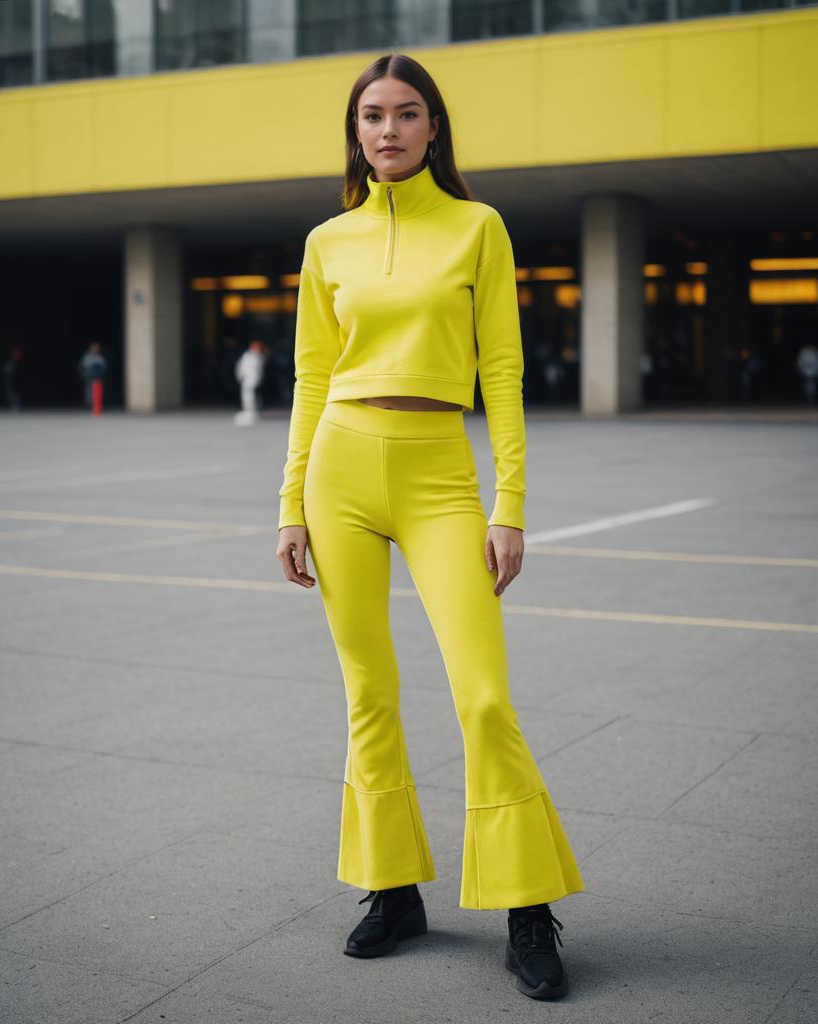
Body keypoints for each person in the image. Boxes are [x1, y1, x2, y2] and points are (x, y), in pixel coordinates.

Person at [274, 55, 584, 1001]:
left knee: (483, 695)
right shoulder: (328, 240)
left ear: (434, 128)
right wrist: (290, 505)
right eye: (373, 115)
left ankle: (529, 908)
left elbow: (504, 373)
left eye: (408, 114)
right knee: (369, 692)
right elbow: (311, 379)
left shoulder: (479, 229)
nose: (389, 129)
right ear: (355, 131)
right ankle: (393, 889)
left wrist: (511, 507)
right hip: (340, 469)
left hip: (442, 473)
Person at [233, 339, 267, 425]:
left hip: (254, 379)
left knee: (252, 396)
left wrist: (258, 379)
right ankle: (248, 411)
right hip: (246, 379)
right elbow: (241, 367)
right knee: (246, 396)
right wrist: (240, 377)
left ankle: (252, 411)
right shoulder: (247, 355)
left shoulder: (259, 356)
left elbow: (259, 370)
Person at [77, 342, 108, 410]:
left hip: (98, 376)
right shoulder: (87, 356)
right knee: (88, 390)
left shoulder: (99, 357)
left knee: (98, 392)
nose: (95, 350)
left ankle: (97, 405)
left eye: (96, 349)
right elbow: (84, 365)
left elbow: (103, 366)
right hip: (89, 376)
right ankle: (89, 404)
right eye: (94, 348)